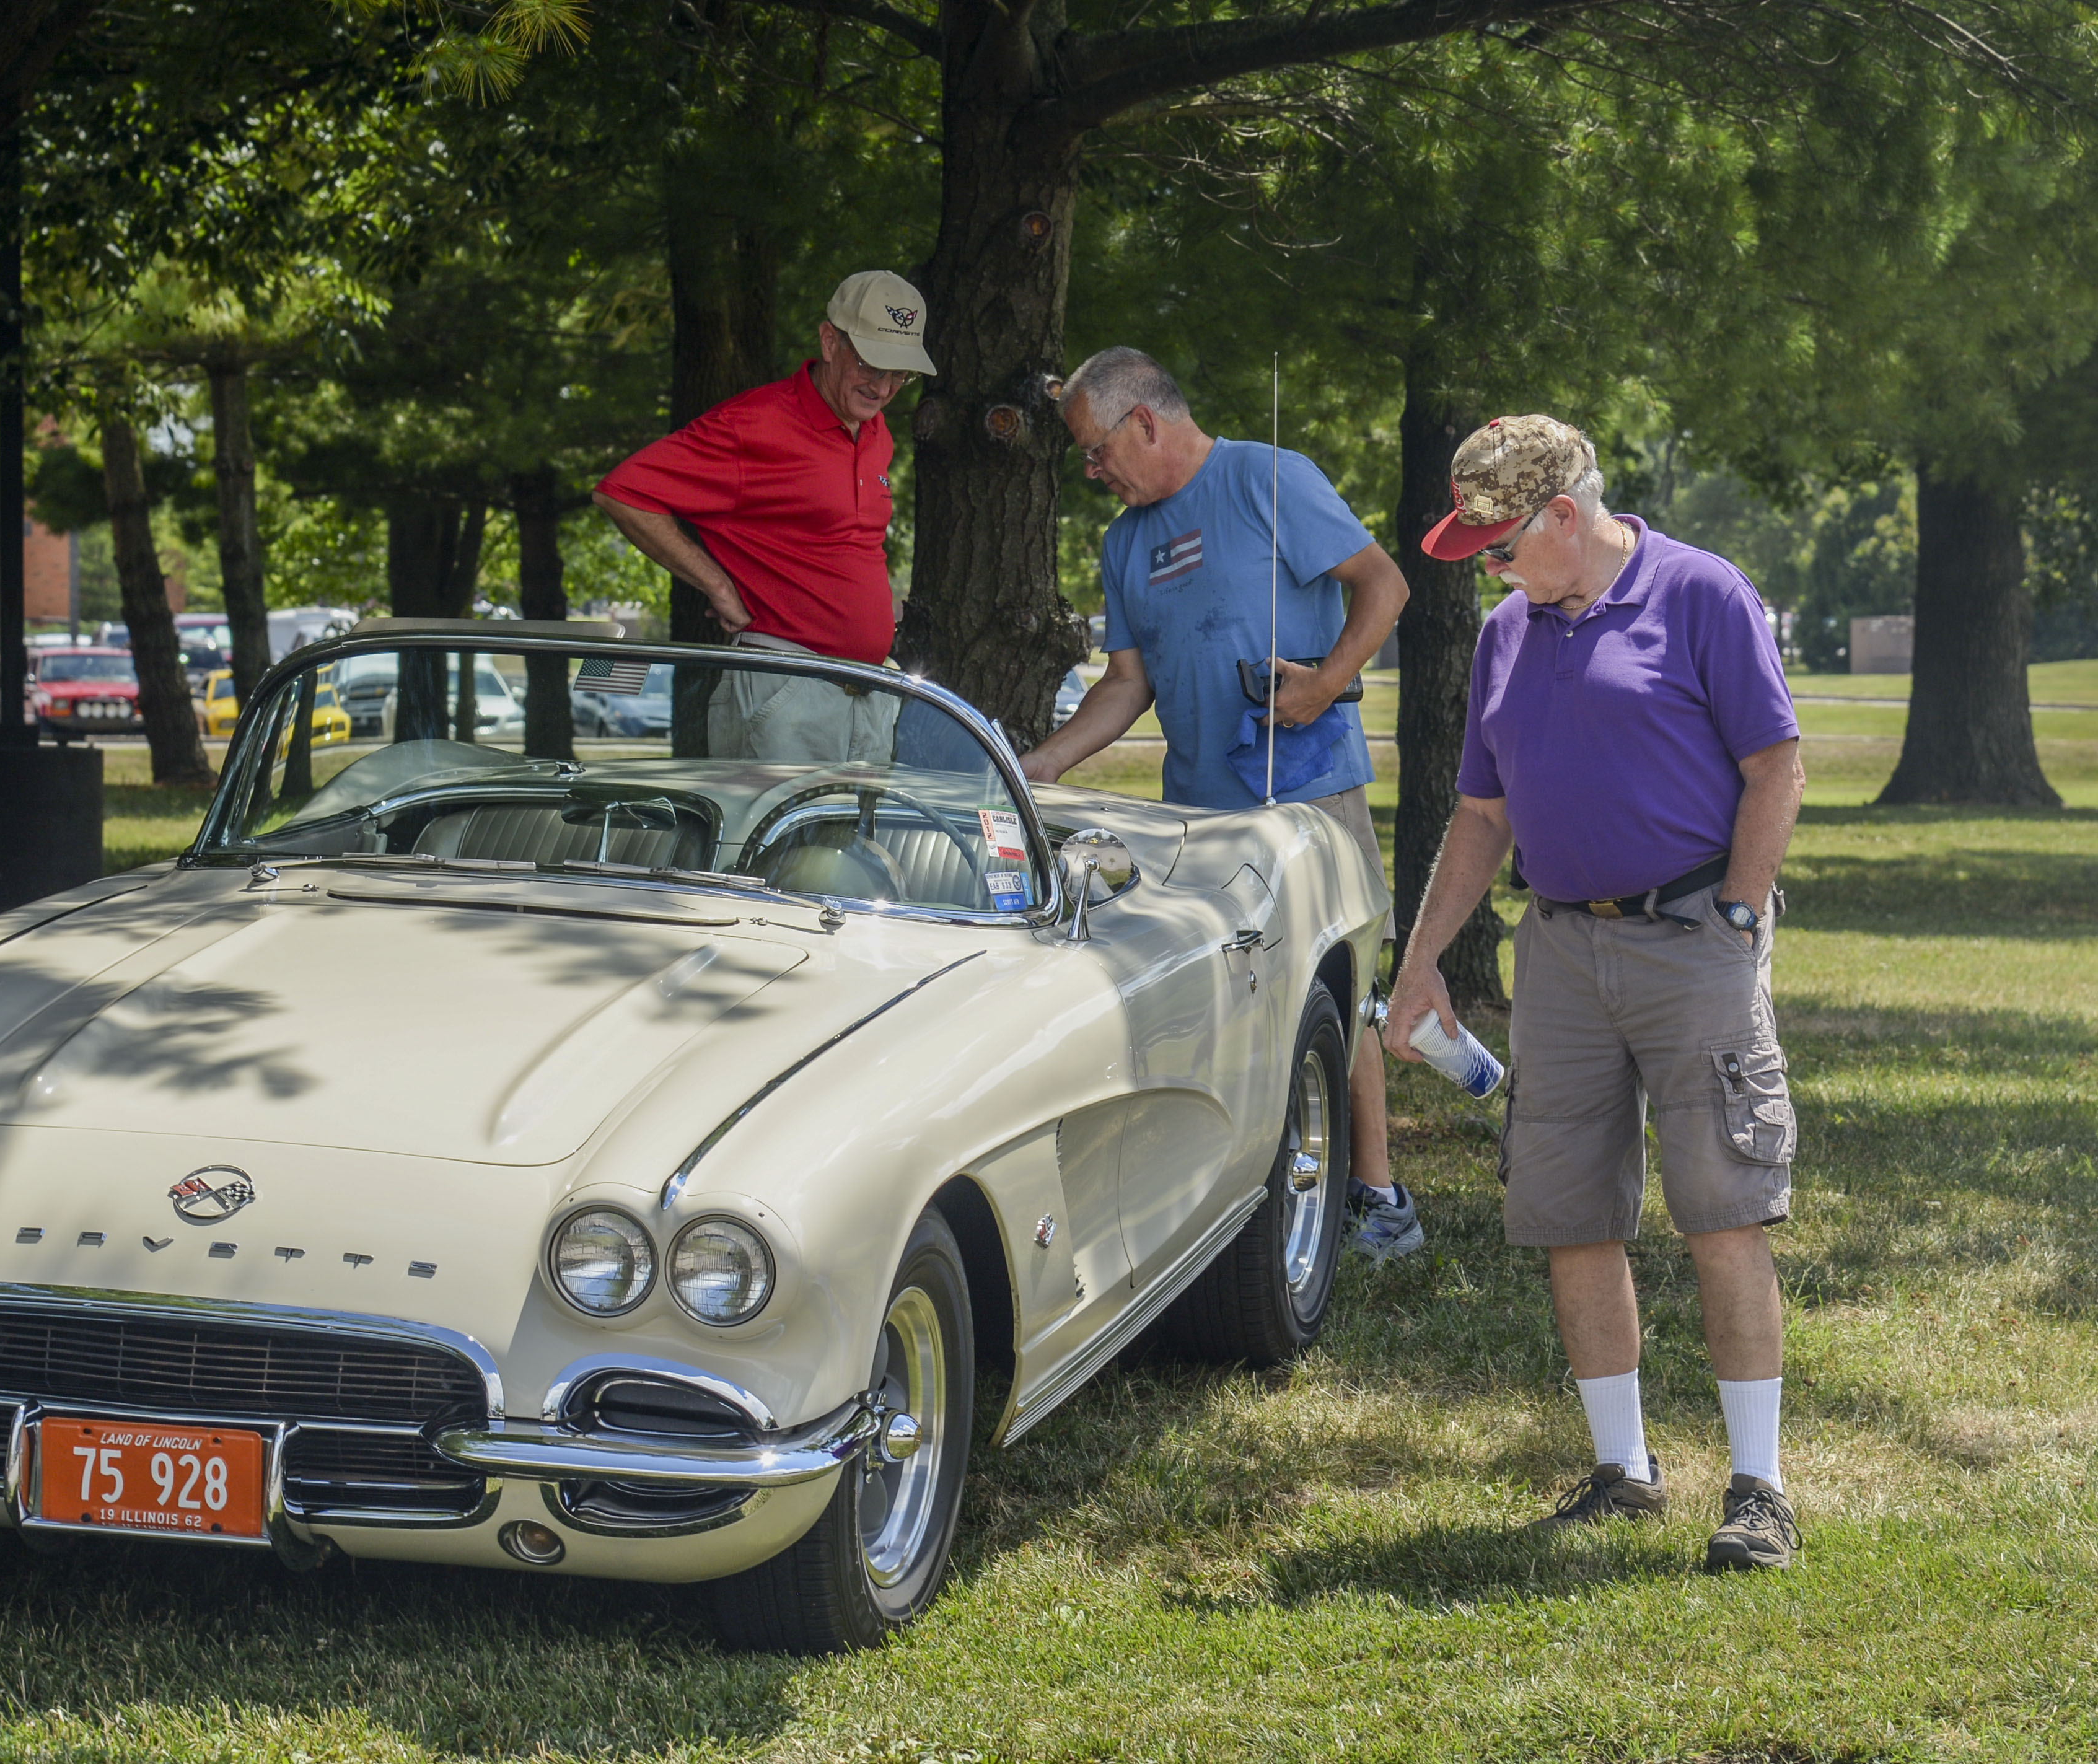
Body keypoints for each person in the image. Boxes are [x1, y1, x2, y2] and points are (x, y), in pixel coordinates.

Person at [1387, 414, 1806, 1570]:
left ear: (1563, 516)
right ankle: (1624, 1470)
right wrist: (1421, 958)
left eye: (1498, 546)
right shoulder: (1507, 634)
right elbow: (1481, 815)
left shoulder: (1702, 594)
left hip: (1692, 941)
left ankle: (1759, 1488)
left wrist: (1734, 915)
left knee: (1721, 1208)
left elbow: (1776, 765)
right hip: (1561, 951)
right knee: (1569, 1209)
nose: (1488, 570)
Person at [1020, 348, 1420, 1260]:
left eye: (1094, 451)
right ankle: (1231, 1191)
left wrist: (1324, 683)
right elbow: (1126, 685)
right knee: (1221, 996)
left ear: (1145, 422)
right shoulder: (1123, 544)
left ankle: (1378, 1194)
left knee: (1341, 987)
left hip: (1308, 788)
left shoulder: (1266, 477)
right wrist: (1043, 761)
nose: (1091, 473)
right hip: (1195, 818)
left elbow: (1384, 585)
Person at [591, 271, 933, 763]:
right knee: (769, 842)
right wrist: (716, 583)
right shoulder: (753, 424)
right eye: (871, 364)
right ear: (830, 341)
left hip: (865, 692)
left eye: (900, 373)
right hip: (785, 688)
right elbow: (622, 493)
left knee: (846, 842)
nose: (884, 387)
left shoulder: (876, 432)